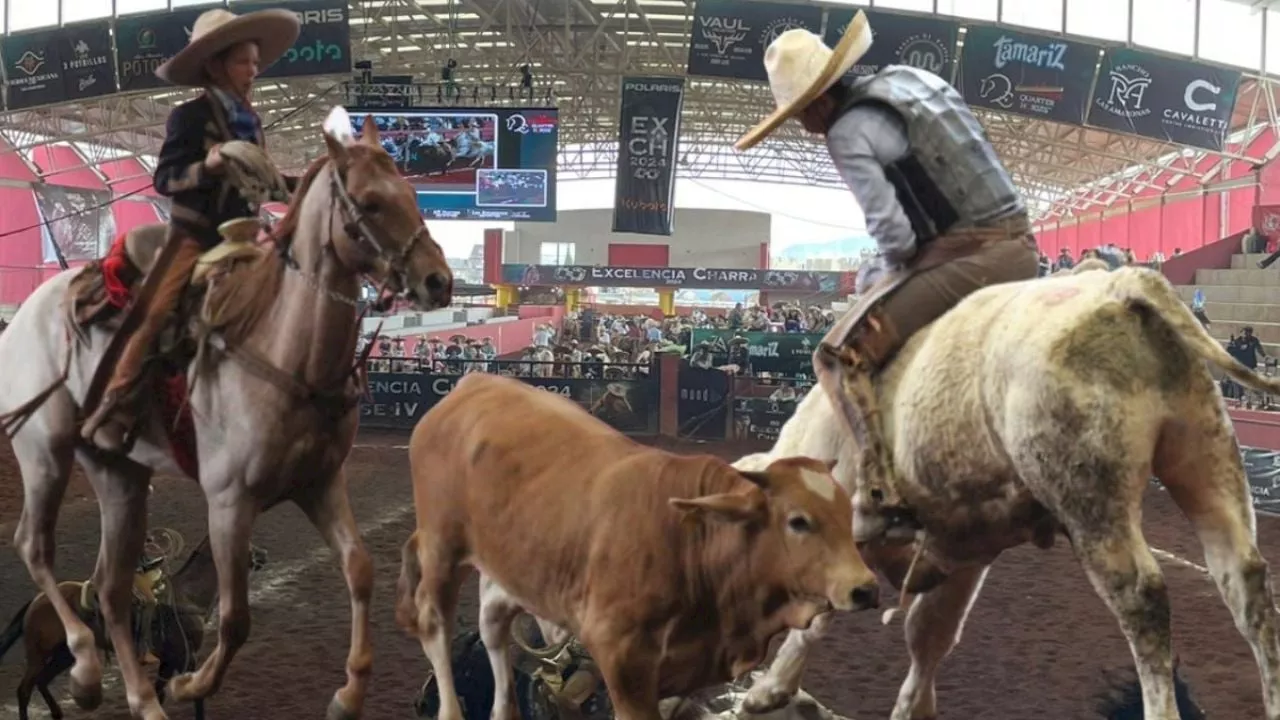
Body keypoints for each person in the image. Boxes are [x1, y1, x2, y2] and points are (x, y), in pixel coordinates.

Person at [734, 12, 1038, 544]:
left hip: (977, 254)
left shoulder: (847, 132)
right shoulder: (908, 80)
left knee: (837, 357)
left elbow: (897, 239)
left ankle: (882, 491)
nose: (804, 127)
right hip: (1017, 239)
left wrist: (874, 274)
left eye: (799, 115)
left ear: (815, 103)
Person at [80, 8, 301, 452]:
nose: (253, 72)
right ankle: (115, 401)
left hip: (246, 235)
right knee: (156, 310)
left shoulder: (250, 123)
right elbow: (165, 180)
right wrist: (210, 166)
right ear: (216, 65)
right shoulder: (189, 117)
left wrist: (306, 185)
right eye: (245, 63)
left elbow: (266, 182)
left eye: (256, 64)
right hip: (193, 237)